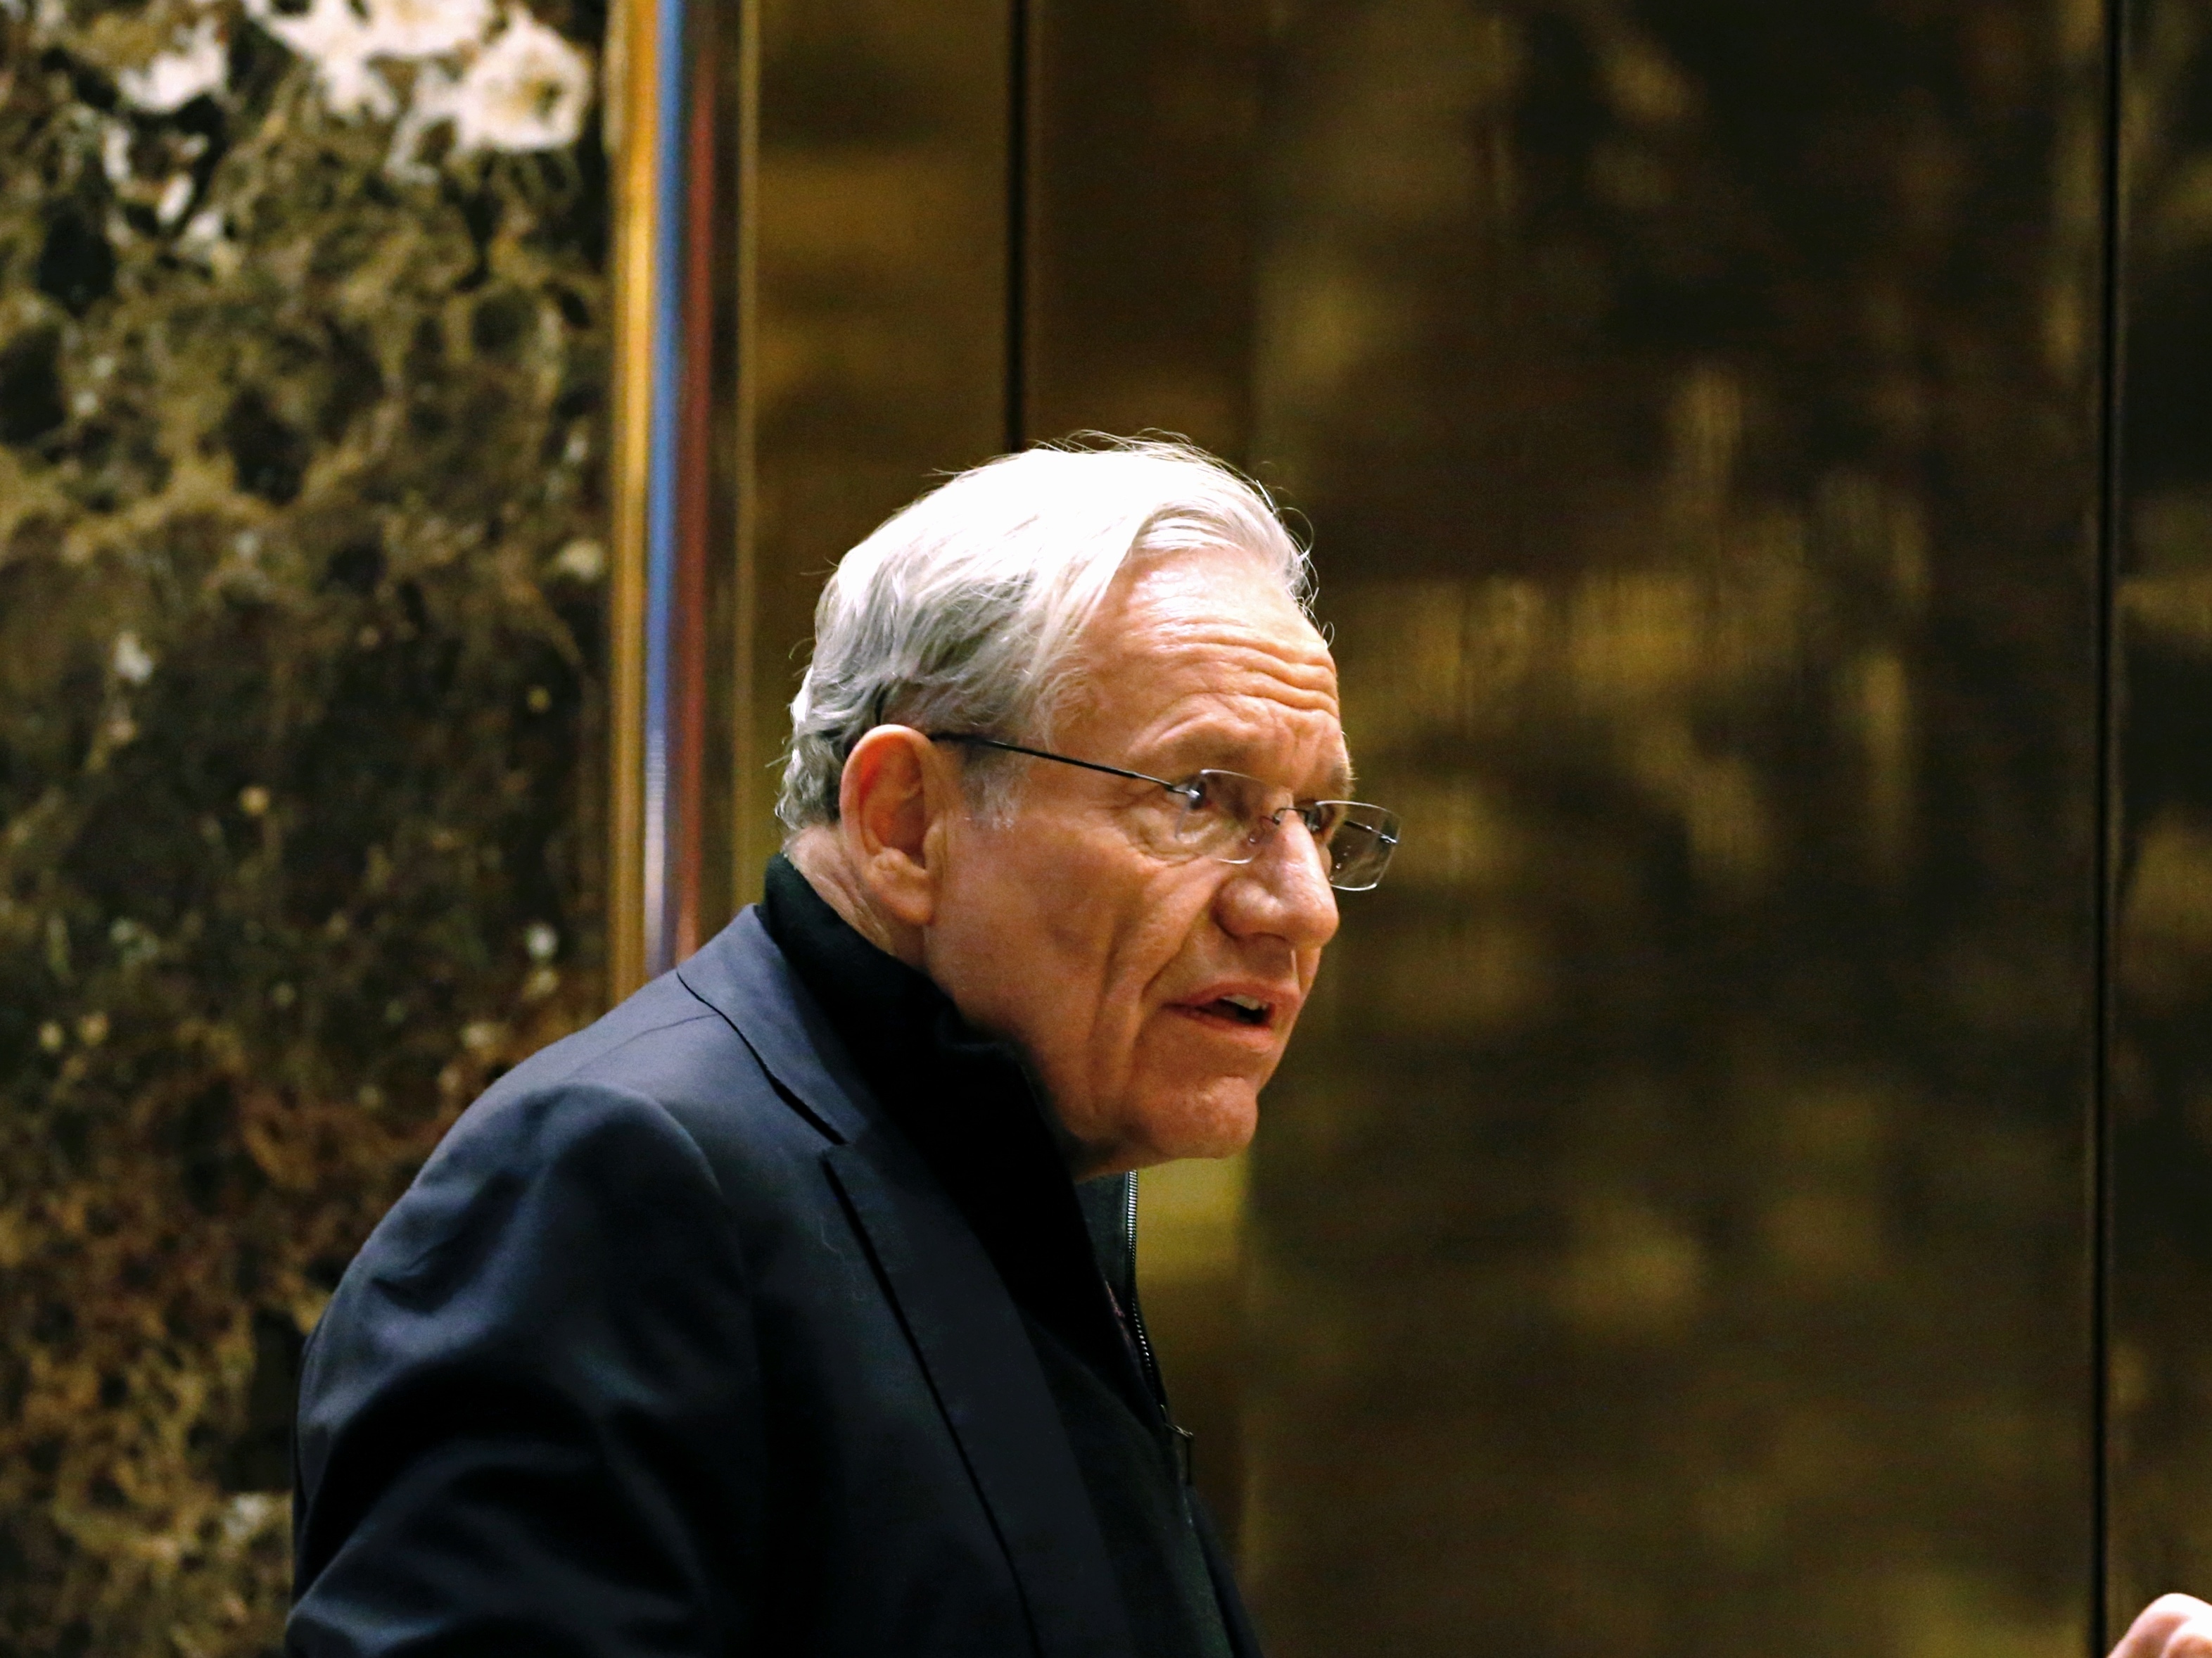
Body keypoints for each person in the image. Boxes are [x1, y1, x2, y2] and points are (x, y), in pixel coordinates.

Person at [287, 439, 1396, 1656]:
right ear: (905, 822)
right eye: (1196, 797)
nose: (1300, 905)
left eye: (1319, 820)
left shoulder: (1025, 1164)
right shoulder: (620, 1179)